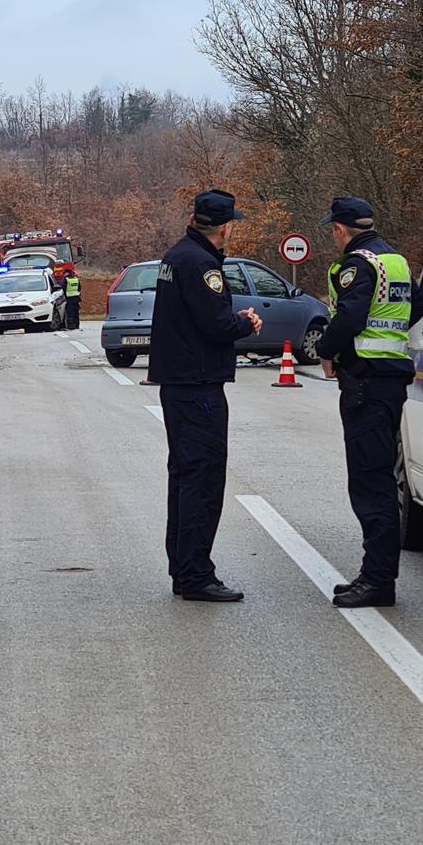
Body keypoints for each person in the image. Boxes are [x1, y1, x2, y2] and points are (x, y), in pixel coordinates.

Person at [148, 189, 264, 602]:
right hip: (197, 385)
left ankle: (183, 569)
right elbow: (214, 323)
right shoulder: (200, 263)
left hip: (179, 384)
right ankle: (196, 573)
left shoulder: (176, 255)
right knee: (202, 478)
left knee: (183, 477)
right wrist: (244, 322)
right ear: (225, 227)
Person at [314, 196, 421, 609]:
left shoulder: (356, 264)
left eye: (334, 230)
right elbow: (417, 307)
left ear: (341, 229)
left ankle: (377, 581)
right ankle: (373, 575)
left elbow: (351, 316)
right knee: (379, 478)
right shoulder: (395, 260)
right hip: (390, 377)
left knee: (371, 482)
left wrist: (326, 348)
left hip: (366, 382)